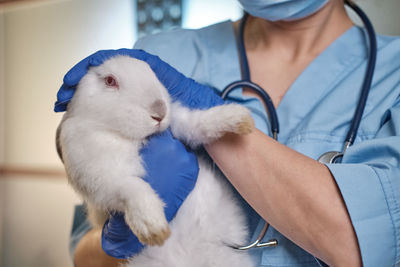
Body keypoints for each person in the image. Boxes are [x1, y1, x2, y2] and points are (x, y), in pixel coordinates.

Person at [59, 0, 400, 266]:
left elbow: (372, 248)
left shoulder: (392, 75)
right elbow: (84, 251)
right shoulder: (159, 54)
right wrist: (124, 238)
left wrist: (215, 130)